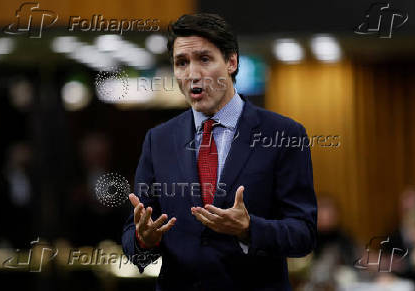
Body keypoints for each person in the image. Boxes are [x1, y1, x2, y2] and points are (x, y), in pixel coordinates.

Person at [122, 13, 317, 291]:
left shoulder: (284, 134)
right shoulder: (158, 140)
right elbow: (134, 238)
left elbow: (303, 234)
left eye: (204, 59)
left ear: (231, 62)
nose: (192, 74)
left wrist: (249, 228)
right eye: (181, 63)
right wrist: (144, 240)